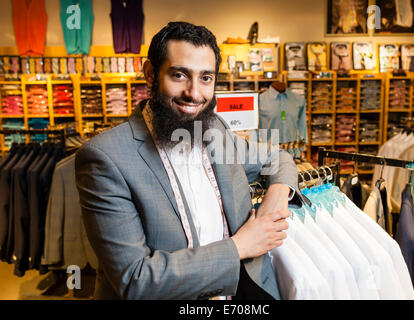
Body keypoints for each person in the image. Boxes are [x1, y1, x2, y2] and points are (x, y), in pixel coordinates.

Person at [75, 21, 300, 300]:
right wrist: (240, 246)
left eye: (206, 78)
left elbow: (277, 157)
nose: (194, 93)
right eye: (180, 75)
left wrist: (277, 195)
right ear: (150, 74)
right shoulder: (105, 158)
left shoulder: (215, 129)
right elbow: (135, 279)